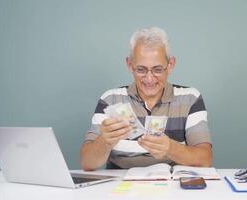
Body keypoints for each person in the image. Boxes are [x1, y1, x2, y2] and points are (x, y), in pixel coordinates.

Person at [80, 27, 212, 170]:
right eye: (141, 70)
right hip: (120, 186)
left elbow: (205, 159)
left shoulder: (190, 98)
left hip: (171, 185)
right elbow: (87, 163)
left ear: (170, 65)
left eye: (157, 70)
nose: (149, 79)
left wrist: (170, 148)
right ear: (130, 65)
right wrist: (105, 140)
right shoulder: (110, 99)